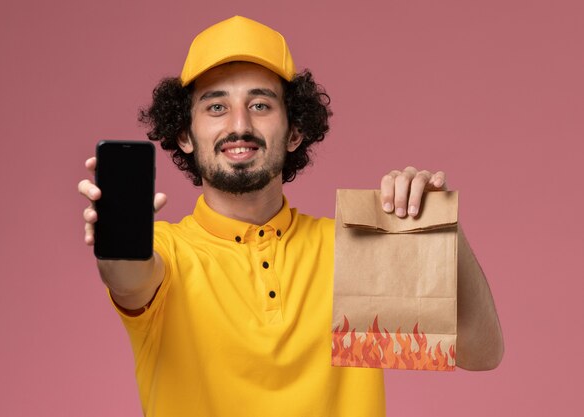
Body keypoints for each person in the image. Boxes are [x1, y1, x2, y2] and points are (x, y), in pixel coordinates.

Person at [78, 16, 503, 417]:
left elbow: (481, 352)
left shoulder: (350, 249)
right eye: (216, 107)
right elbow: (130, 279)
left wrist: (441, 228)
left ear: (295, 131)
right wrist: (119, 240)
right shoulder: (168, 251)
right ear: (185, 135)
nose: (239, 125)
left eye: (261, 105)